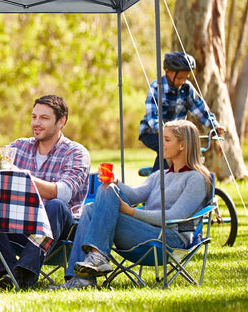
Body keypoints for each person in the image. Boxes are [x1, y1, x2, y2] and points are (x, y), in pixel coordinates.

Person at [52, 119, 211, 291]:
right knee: (99, 199)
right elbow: (135, 195)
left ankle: (90, 267)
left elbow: (174, 216)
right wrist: (115, 182)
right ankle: (86, 272)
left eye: (166, 140)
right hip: (144, 232)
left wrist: (132, 212)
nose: (161, 144)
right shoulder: (160, 175)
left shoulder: (196, 179)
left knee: (94, 209)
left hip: (169, 239)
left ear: (182, 145)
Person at [0, 95, 90, 289]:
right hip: (19, 222)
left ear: (61, 121)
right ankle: (7, 273)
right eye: (34, 117)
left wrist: (22, 177)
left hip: (59, 227)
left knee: (55, 205)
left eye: (44, 118)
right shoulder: (18, 147)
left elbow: (63, 194)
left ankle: (23, 273)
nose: (36, 123)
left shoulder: (76, 152)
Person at [139, 51, 224, 174]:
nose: (182, 81)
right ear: (168, 72)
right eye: (179, 78)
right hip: (152, 132)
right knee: (166, 148)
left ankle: (170, 174)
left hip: (177, 135)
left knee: (185, 153)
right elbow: (152, 117)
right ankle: (158, 176)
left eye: (185, 78)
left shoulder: (187, 89)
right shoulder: (156, 87)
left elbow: (199, 108)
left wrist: (214, 125)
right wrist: (165, 132)